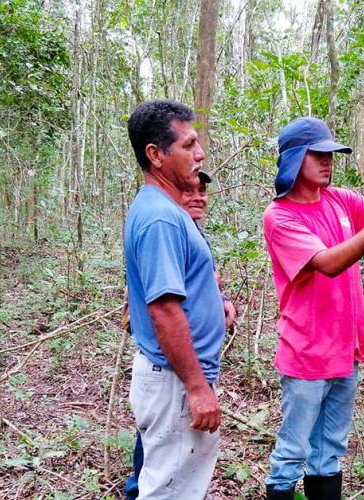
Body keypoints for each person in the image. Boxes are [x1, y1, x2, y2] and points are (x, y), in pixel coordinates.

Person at [262, 117, 364, 499]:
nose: (327, 161)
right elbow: (328, 263)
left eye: (330, 154)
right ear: (294, 158)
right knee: (291, 454)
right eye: (317, 154)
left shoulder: (340, 200)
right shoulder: (280, 216)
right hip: (306, 355)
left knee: (328, 455)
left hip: (346, 353)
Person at [124, 99, 227, 499]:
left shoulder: (168, 211)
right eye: (188, 145)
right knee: (169, 492)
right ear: (156, 155)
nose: (199, 154)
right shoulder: (161, 218)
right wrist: (197, 388)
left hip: (176, 379)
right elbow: (164, 309)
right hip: (175, 382)